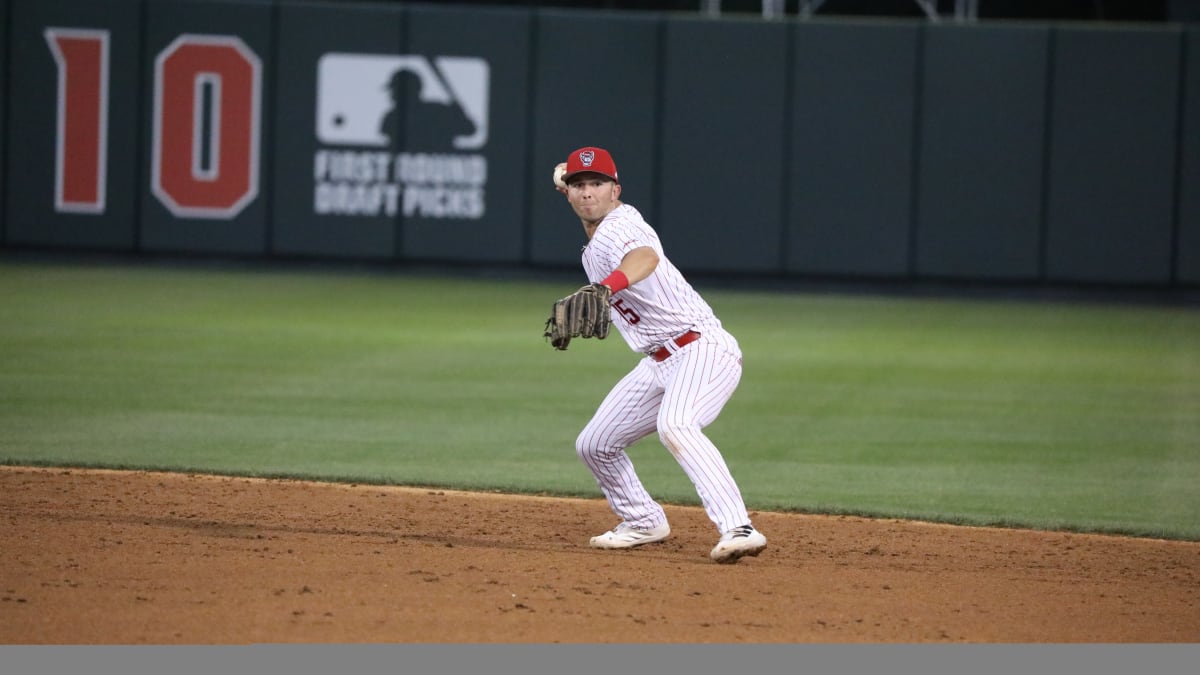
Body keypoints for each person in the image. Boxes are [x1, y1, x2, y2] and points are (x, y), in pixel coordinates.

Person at [553, 146, 767, 564]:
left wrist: (608, 286)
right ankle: (642, 520)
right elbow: (577, 190)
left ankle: (739, 526)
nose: (587, 193)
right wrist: (568, 182)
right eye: (578, 186)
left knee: (677, 423)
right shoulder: (594, 234)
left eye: (596, 184)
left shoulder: (622, 225)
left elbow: (645, 257)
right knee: (594, 444)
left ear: (616, 190)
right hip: (658, 361)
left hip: (701, 348)